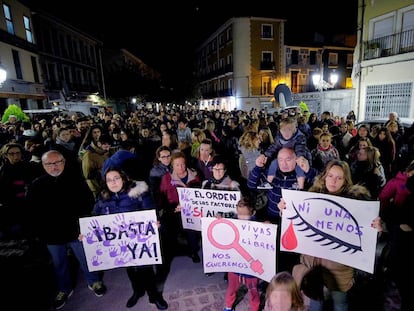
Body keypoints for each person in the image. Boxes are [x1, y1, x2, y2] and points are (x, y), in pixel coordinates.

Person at [279, 160, 381, 311]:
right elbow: (295, 226)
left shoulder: (356, 203)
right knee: (316, 302)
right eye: (330, 175)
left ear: (346, 180)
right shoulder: (310, 198)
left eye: (339, 178)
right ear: (324, 177)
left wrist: (376, 229)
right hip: (312, 267)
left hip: (339, 271)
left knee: (340, 303)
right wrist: (285, 211)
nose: (333, 181)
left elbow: (365, 238)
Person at [26, 150, 107, 310]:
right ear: (43, 165)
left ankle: (94, 282)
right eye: (49, 163)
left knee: (86, 259)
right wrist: (39, 233)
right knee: (59, 263)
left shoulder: (76, 180)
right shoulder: (36, 185)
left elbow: (88, 202)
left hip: (76, 232)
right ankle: (64, 289)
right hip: (52, 235)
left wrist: (83, 224)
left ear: (64, 162)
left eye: (57, 162)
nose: (54, 166)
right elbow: (32, 212)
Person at [92, 167, 168, 310]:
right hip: (122, 245)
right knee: (131, 271)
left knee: (146, 271)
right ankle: (137, 292)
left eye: (116, 178)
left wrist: (155, 222)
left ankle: (154, 295)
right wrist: (88, 233)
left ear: (124, 178)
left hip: (140, 243)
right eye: (109, 180)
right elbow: (96, 220)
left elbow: (150, 211)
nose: (113, 182)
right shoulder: (102, 198)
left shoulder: (139, 192)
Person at [222, 196, 261, 311]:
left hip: (251, 269)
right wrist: (219, 220)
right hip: (235, 266)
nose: (242, 218)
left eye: (245, 215)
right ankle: (228, 306)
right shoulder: (233, 223)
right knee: (231, 289)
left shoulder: (259, 228)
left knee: (253, 291)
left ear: (253, 212)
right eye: (239, 214)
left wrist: (266, 225)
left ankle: (255, 308)